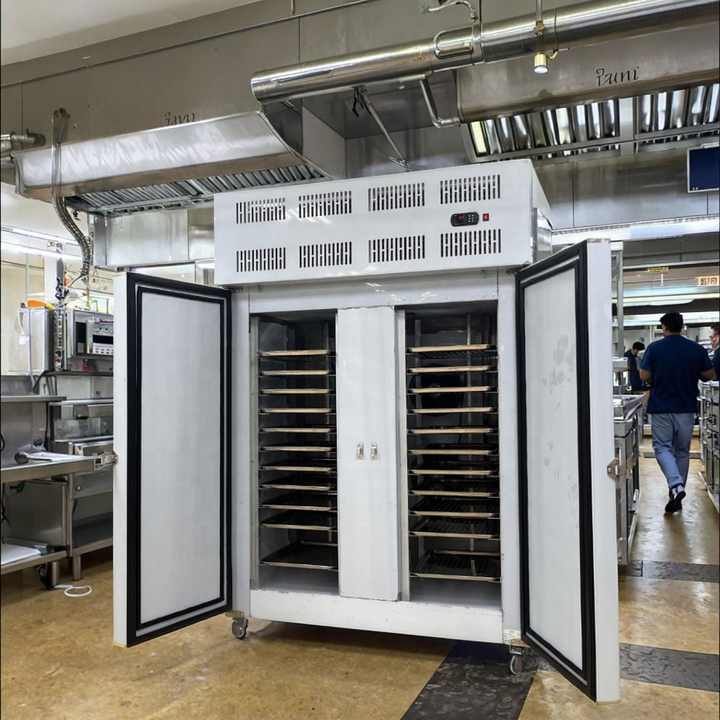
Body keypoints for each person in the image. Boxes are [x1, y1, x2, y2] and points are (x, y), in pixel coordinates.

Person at [639, 312, 716, 514]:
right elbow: (710, 375)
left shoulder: (654, 348)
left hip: (661, 408)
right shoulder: (696, 349)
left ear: (664, 327)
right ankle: (676, 494)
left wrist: (656, 375)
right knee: (682, 451)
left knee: (662, 448)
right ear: (682, 327)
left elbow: (644, 375)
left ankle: (675, 485)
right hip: (686, 408)